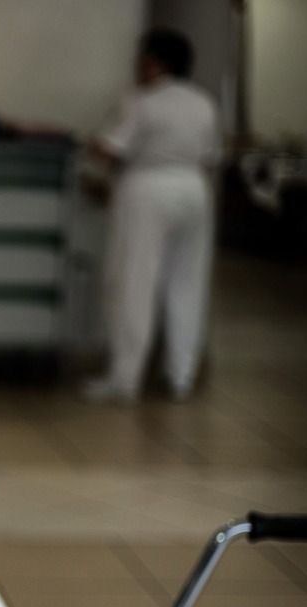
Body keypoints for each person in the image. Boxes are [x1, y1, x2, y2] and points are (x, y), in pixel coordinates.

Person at [83, 28, 220, 404]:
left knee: (134, 282)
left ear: (155, 62)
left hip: (147, 188)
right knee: (187, 282)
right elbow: (210, 156)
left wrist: (91, 145)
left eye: (141, 57)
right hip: (194, 189)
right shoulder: (203, 102)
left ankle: (124, 378)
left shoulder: (140, 101)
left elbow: (108, 150)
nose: (136, 65)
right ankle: (181, 375)